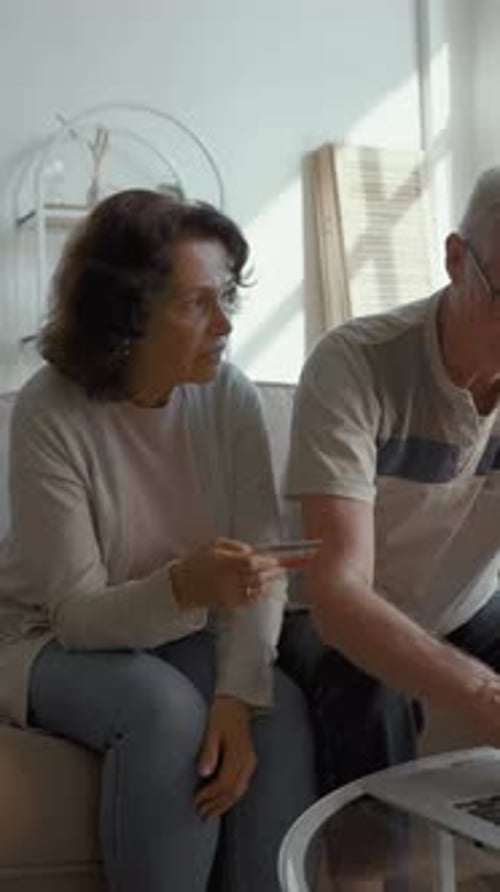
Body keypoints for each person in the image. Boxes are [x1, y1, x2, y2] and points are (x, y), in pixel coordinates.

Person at [0, 189, 316, 892]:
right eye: (196, 304)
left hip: (173, 631)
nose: (224, 324)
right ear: (128, 314)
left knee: (276, 708)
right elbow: (77, 616)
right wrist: (185, 587)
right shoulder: (49, 411)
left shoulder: (229, 396)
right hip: (41, 636)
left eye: (225, 297)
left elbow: (261, 569)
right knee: (165, 714)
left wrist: (236, 697)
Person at [280, 166, 500, 795]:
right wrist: (478, 691)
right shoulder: (354, 366)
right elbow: (339, 592)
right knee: (368, 687)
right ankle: (373, 855)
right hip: (324, 615)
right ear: (455, 259)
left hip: (463, 604)